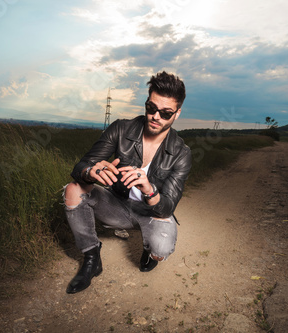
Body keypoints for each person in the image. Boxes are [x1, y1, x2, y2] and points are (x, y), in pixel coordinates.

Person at [63, 71, 192, 294]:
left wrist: (150, 189)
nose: (156, 116)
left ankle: (149, 248)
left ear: (177, 113)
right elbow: (80, 167)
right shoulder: (121, 129)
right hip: (118, 205)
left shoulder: (181, 153)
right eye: (151, 108)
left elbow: (168, 206)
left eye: (165, 112)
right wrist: (91, 172)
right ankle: (92, 258)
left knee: (161, 250)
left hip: (153, 212)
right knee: (73, 190)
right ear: (146, 103)